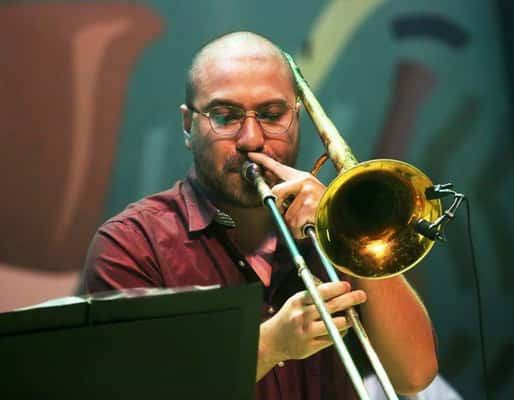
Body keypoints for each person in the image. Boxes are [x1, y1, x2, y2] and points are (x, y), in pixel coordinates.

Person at [82, 31, 438, 399]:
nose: (251, 139)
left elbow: (414, 375)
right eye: (225, 116)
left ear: (296, 117)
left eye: (271, 115)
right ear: (188, 127)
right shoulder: (132, 244)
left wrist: (345, 231)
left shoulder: (337, 230)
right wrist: (268, 347)